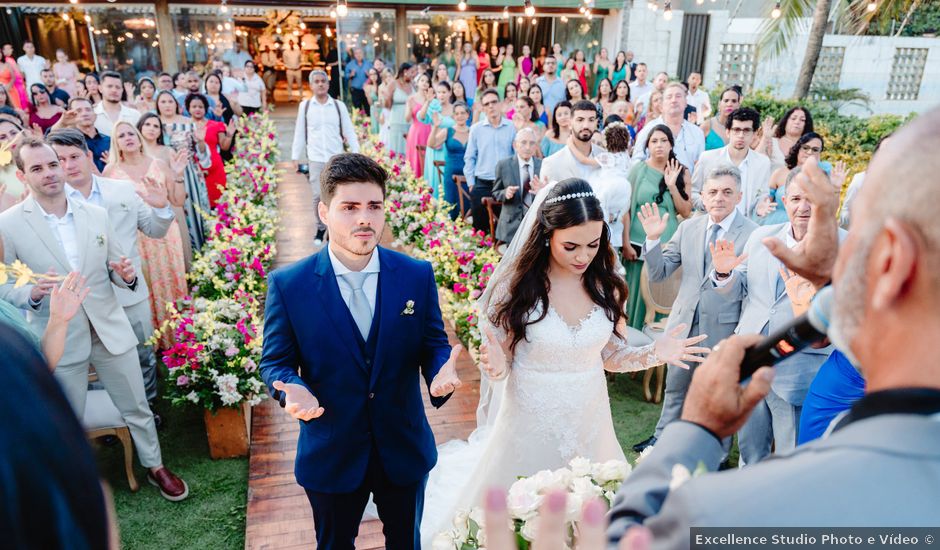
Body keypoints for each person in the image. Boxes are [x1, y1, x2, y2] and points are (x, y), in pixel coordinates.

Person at [608, 110, 940, 546]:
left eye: (858, 232)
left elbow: (630, 535)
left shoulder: (747, 510)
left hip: (797, 382)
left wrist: (699, 430)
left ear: (892, 259)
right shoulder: (765, 240)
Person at [420, 178, 708, 547]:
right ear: (546, 236)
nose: (582, 256)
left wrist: (656, 352)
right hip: (528, 417)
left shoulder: (608, 286)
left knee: (591, 509)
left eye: (592, 244)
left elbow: (611, 357)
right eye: (570, 246)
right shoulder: (516, 289)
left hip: (589, 416)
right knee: (521, 514)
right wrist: (493, 366)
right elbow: (503, 365)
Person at [259, 152, 462, 550]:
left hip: (402, 448)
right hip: (332, 452)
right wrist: (288, 386)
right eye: (349, 207)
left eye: (373, 206)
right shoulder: (289, 285)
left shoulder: (416, 275)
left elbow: (434, 342)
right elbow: (276, 361)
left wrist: (440, 370)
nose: (364, 219)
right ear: (323, 211)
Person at [0, 136, 188, 501]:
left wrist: (126, 275)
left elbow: (118, 267)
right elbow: (4, 282)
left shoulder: (95, 213)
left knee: (136, 404)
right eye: (37, 168)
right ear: (23, 177)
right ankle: (73, 482)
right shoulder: (8, 224)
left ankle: (155, 466)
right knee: (65, 416)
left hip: (109, 326)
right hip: (58, 336)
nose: (50, 173)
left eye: (53, 164)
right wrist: (32, 294)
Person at [708, 169, 843, 466]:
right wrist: (724, 273)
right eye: (795, 198)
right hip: (752, 360)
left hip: (802, 364)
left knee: (790, 455)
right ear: (784, 201)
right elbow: (740, 288)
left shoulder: (845, 244)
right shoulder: (761, 237)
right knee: (749, 451)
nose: (803, 207)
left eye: (810, 199)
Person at [631, 166, 758, 453]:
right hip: (683, 323)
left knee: (717, 391)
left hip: (725, 327)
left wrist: (726, 276)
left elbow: (750, 288)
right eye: (712, 192)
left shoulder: (753, 234)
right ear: (703, 196)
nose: (719, 198)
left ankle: (718, 450)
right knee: (675, 387)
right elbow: (659, 273)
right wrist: (652, 241)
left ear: (739, 196)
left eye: (727, 192)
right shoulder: (689, 227)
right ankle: (662, 438)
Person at [49, 127, 174, 413]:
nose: (68, 165)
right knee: (93, 360)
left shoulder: (121, 190)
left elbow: (154, 230)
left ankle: (148, 406)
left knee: (143, 353)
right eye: (60, 160)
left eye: (74, 156)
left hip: (130, 293)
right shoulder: (52, 203)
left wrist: (163, 207)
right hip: (83, 300)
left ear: (88, 156)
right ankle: (108, 413)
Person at [623, 125, 692, 330]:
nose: (659, 145)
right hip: (637, 242)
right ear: (647, 146)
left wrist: (672, 186)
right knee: (635, 293)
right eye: (654, 141)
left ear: (671, 144)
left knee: (661, 293)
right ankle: (632, 338)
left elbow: (686, 211)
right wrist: (626, 242)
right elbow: (626, 209)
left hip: (666, 243)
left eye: (664, 140)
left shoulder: (682, 172)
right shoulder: (638, 170)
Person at [291, 70, 359, 247]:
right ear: (311, 85)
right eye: (317, 81)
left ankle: (336, 230)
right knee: (317, 196)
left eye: (323, 81)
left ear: (328, 85)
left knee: (337, 196)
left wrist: (356, 150)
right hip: (315, 158)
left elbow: (348, 130)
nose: (320, 84)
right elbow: (299, 132)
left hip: (336, 159)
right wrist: (295, 156)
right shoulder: (305, 107)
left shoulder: (338, 106)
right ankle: (321, 228)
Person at [156, 90, 212, 253]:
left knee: (193, 213)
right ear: (157, 106)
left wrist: (201, 141)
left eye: (170, 101)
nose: (167, 105)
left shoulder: (189, 123)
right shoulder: (153, 124)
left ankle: (200, 252)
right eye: (163, 102)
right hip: (163, 176)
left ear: (177, 105)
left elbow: (201, 155)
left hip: (189, 175)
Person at [137, 112, 194, 270]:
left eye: (156, 126)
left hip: (169, 202)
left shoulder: (167, 151)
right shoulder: (135, 154)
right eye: (147, 124)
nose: (151, 129)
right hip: (142, 208)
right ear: (139, 128)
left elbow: (176, 178)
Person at [691, 107, 772, 216]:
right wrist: (708, 203)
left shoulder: (763, 163)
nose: (741, 136)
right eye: (736, 130)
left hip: (742, 227)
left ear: (754, 134)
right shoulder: (707, 158)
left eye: (746, 130)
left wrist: (760, 207)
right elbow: (693, 192)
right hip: (708, 223)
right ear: (728, 132)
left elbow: (762, 195)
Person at [464, 88, 515, 234]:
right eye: (487, 104)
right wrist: (471, 183)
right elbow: (469, 157)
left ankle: (503, 253)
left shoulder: (511, 126)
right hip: (482, 184)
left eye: (494, 102)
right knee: (480, 229)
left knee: (505, 229)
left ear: (500, 104)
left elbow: (516, 155)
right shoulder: (476, 129)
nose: (491, 106)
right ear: (483, 108)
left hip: (506, 184)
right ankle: (482, 253)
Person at [755, 132, 835, 226]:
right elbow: (767, 198)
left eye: (815, 150)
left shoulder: (822, 176)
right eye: (805, 148)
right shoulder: (779, 173)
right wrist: (763, 204)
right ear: (798, 149)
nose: (810, 152)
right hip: (776, 222)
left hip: (808, 224)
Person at [588, 122, 634, 258]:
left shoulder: (606, 157)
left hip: (608, 188)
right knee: (615, 217)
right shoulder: (627, 158)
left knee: (602, 208)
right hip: (623, 192)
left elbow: (586, 161)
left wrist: (571, 146)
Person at [632, 82, 704, 169]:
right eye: (669, 97)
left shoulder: (697, 133)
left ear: (686, 103)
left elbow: (700, 167)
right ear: (662, 105)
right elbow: (636, 162)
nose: (673, 100)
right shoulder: (649, 129)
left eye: (678, 96)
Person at [491, 127, 542, 243]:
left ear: (536, 146)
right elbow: (495, 193)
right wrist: (505, 193)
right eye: (523, 142)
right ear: (515, 145)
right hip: (511, 226)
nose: (528, 147)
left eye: (532, 143)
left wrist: (542, 191)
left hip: (536, 224)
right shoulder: (504, 165)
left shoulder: (543, 165)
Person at [185, 93, 234, 206]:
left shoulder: (216, 125)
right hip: (193, 170)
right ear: (188, 108)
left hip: (215, 170)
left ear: (206, 109)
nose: (197, 109)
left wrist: (229, 135)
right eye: (194, 106)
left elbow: (224, 147)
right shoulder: (184, 126)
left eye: (201, 107)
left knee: (217, 203)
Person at [541, 100, 601, 185]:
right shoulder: (551, 163)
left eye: (591, 120)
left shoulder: (604, 156)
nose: (586, 125)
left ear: (596, 123)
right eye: (580, 120)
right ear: (570, 123)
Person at [434, 101, 471, 221]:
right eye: (457, 113)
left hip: (468, 175)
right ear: (453, 116)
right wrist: (435, 127)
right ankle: (450, 233)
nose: (460, 116)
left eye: (462, 113)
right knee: (451, 204)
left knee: (467, 205)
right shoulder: (447, 131)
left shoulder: (473, 131)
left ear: (468, 115)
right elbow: (431, 144)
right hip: (451, 175)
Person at [418, 81, 455, 198]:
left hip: (448, 148)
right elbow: (421, 117)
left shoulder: (455, 109)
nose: (441, 95)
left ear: (450, 93)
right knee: (435, 177)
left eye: (444, 92)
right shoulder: (433, 107)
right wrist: (428, 102)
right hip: (433, 146)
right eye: (439, 92)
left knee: (446, 177)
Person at [765, 105, 813, 170]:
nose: (797, 122)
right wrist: (765, 138)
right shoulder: (771, 141)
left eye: (802, 120)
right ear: (786, 121)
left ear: (806, 124)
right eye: (793, 118)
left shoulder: (810, 147)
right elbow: (756, 163)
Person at [93, 72, 141, 138]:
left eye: (118, 87)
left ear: (122, 90)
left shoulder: (135, 115)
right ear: (100, 88)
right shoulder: (92, 114)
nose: (114, 90)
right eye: (109, 86)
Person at [405, 73, 433, 179]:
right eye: (422, 80)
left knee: (428, 158)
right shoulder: (411, 99)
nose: (425, 83)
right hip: (416, 132)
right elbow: (407, 119)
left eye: (427, 81)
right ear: (417, 83)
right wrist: (409, 106)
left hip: (429, 131)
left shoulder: (432, 99)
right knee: (415, 159)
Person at [384, 63, 414, 156]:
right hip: (397, 119)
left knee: (409, 148)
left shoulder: (413, 84)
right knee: (396, 147)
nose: (413, 74)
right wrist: (387, 98)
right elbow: (387, 105)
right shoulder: (393, 83)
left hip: (411, 121)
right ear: (405, 72)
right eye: (411, 72)